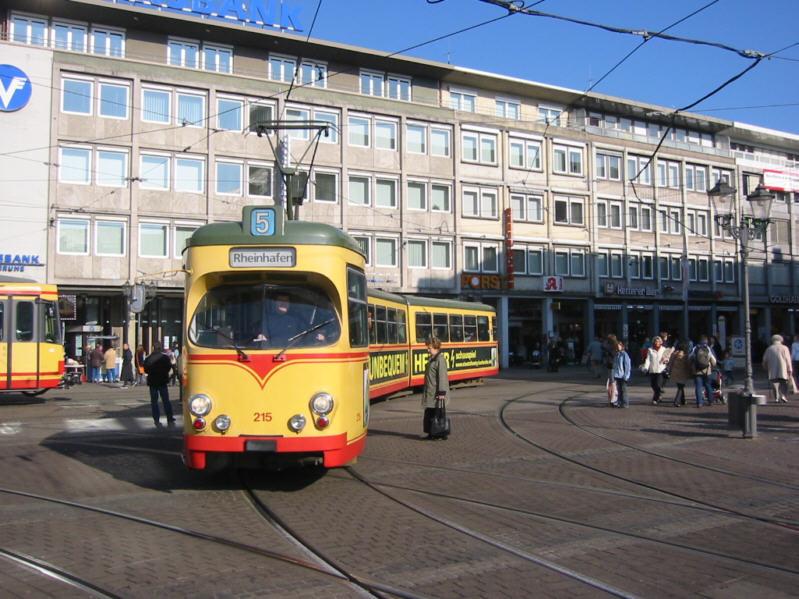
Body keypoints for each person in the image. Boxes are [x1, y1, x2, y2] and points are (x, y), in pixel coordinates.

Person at [422, 336, 449, 440]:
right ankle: (434, 433)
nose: (427, 350)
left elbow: (442, 377)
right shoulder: (433, 358)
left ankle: (437, 434)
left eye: (429, 348)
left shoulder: (440, 360)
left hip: (436, 393)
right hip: (431, 391)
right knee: (431, 413)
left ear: (435, 347)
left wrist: (441, 393)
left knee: (436, 414)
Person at [144, 342, 176, 427]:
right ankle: (170, 419)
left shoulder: (149, 358)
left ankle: (156, 420)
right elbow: (169, 367)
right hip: (162, 381)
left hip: (153, 382)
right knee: (166, 401)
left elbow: (146, 370)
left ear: (153, 348)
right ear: (160, 348)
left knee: (154, 402)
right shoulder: (165, 358)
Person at [762, 334, 793, 403]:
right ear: (781, 340)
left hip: (772, 369)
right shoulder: (785, 348)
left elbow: (764, 360)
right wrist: (790, 368)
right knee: (784, 383)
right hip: (783, 369)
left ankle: (776, 397)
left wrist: (765, 367)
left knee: (775, 383)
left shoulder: (769, 349)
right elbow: (788, 359)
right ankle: (783, 396)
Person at [641, 335, 668, 405]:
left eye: (658, 341)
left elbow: (667, 357)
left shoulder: (663, 349)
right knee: (653, 385)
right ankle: (659, 395)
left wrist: (665, 360)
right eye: (655, 341)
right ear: (653, 342)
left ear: (661, 342)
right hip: (652, 369)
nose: (657, 342)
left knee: (658, 385)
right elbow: (648, 360)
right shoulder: (650, 349)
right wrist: (646, 368)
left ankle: (655, 399)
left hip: (660, 369)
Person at [691, 335, 717, 407]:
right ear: (706, 341)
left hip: (697, 370)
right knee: (708, 385)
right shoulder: (708, 349)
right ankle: (710, 400)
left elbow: (690, 358)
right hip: (707, 371)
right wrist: (712, 366)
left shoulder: (695, 348)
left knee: (698, 387)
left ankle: (699, 402)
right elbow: (714, 361)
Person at [666, 342, 692, 407]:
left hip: (675, 373)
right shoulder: (686, 355)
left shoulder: (674, 354)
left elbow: (670, 363)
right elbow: (688, 365)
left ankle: (683, 400)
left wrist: (669, 371)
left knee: (680, 386)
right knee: (680, 387)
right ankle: (676, 401)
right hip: (683, 373)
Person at [612, 340, 631, 408]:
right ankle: (620, 402)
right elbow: (614, 365)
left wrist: (626, 376)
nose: (618, 347)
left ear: (622, 346)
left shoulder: (624, 354)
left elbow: (627, 366)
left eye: (619, 345)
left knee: (624, 390)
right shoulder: (617, 355)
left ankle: (625, 403)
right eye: (617, 346)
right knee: (619, 390)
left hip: (623, 375)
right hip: (617, 375)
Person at [603, 334, 618, 406]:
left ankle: (612, 399)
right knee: (611, 382)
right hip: (610, 365)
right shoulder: (611, 346)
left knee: (612, 382)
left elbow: (613, 354)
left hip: (612, 365)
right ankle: (611, 399)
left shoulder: (612, 347)